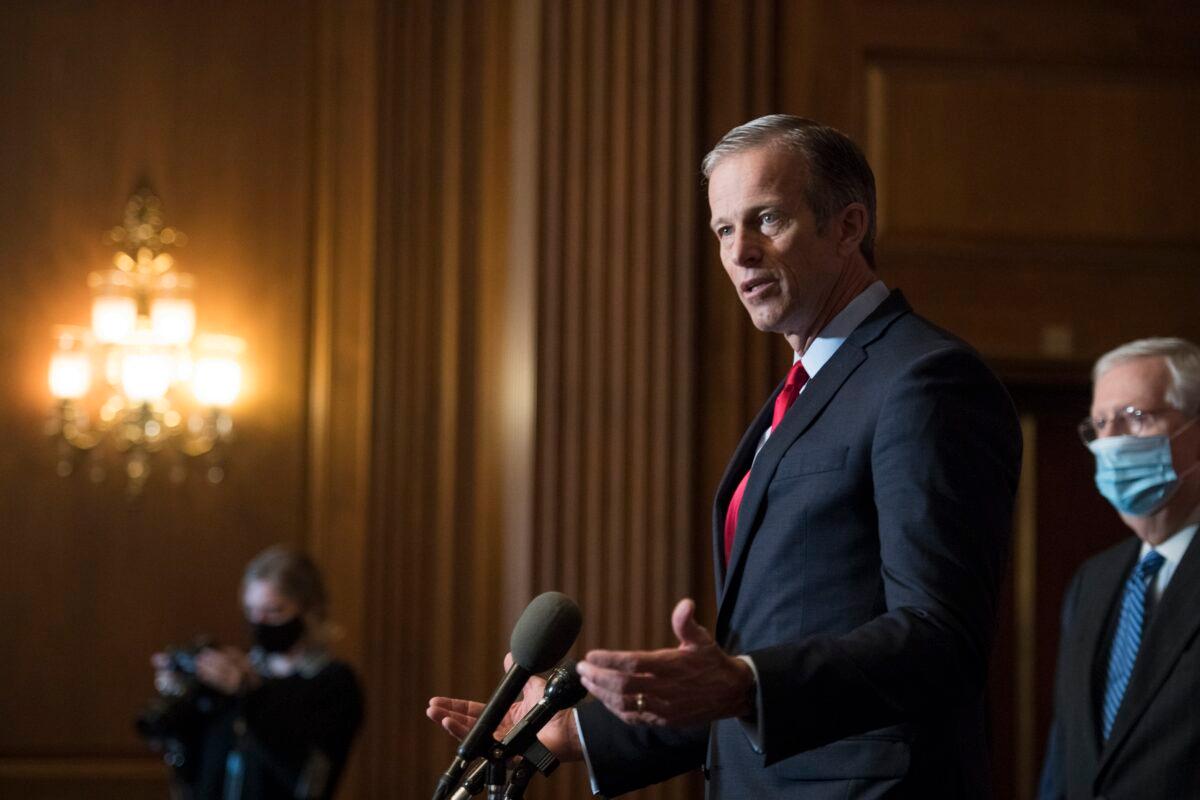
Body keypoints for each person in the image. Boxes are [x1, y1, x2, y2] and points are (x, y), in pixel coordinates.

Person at [429, 114, 1022, 797]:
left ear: (848, 227)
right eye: (722, 229)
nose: (739, 252)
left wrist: (745, 682)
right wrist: (579, 734)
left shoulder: (924, 381)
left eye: (767, 219)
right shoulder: (800, 395)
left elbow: (941, 640)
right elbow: (762, 668)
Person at [1039, 338, 1200, 799]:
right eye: (1099, 424)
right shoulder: (1093, 582)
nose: (1108, 444)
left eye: (1134, 417)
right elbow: (1064, 754)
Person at [148, 545, 364, 799]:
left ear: (308, 610)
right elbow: (193, 768)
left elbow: (309, 776)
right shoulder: (237, 674)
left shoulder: (333, 683)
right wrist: (182, 697)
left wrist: (250, 695)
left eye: (273, 611)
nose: (259, 623)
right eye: (251, 611)